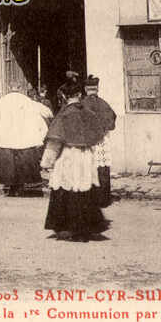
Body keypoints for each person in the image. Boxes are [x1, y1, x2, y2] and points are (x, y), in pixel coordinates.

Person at [41, 79, 109, 241]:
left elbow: (54, 142)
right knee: (85, 189)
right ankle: (86, 226)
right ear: (80, 94)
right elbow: (99, 136)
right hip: (86, 155)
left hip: (68, 156)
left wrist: (46, 163)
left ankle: (69, 227)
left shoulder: (63, 115)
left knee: (67, 188)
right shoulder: (89, 114)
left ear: (64, 96)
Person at [0, 83, 53, 197]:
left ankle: (12, 188)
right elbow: (48, 112)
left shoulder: (1, 102)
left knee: (10, 165)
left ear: (9, 88)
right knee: (22, 164)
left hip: (7, 139)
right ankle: (21, 187)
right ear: (20, 88)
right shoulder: (28, 101)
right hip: (24, 139)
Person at [81, 74, 117, 208]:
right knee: (103, 168)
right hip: (102, 141)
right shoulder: (104, 103)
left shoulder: (81, 104)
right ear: (97, 89)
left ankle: (90, 200)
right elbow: (112, 120)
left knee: (88, 167)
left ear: (86, 89)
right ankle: (104, 199)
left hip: (88, 142)